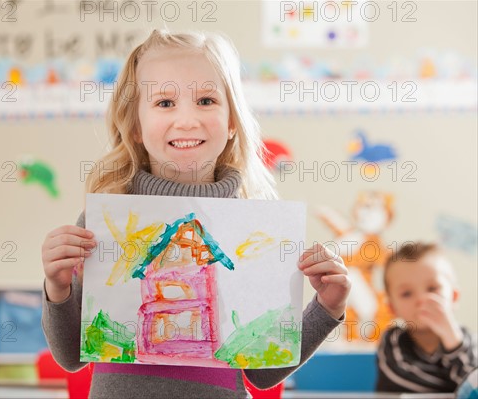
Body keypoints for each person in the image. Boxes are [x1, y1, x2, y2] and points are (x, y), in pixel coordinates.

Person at [41, 29, 351, 398]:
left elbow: (265, 375)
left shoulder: (256, 228)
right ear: (135, 125)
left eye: (206, 100)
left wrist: (327, 307)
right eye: (165, 103)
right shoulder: (103, 224)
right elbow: (70, 357)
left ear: (232, 120)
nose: (187, 120)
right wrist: (57, 287)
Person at [377, 242, 477, 393]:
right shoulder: (393, 341)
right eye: (407, 293)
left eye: (432, 288)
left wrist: (453, 339)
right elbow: (407, 383)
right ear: (392, 308)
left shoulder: (468, 341)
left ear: (454, 297)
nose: (422, 300)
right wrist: (458, 390)